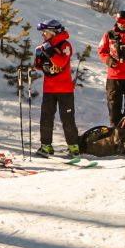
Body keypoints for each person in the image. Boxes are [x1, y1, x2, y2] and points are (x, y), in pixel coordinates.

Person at [32, 19, 79, 156]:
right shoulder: (45, 45)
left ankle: (73, 147)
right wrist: (38, 57)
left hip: (65, 89)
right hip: (49, 89)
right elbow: (39, 67)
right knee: (46, 118)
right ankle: (46, 145)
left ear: (53, 33)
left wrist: (49, 51)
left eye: (45, 32)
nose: (43, 35)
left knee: (67, 118)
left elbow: (62, 61)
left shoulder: (65, 45)